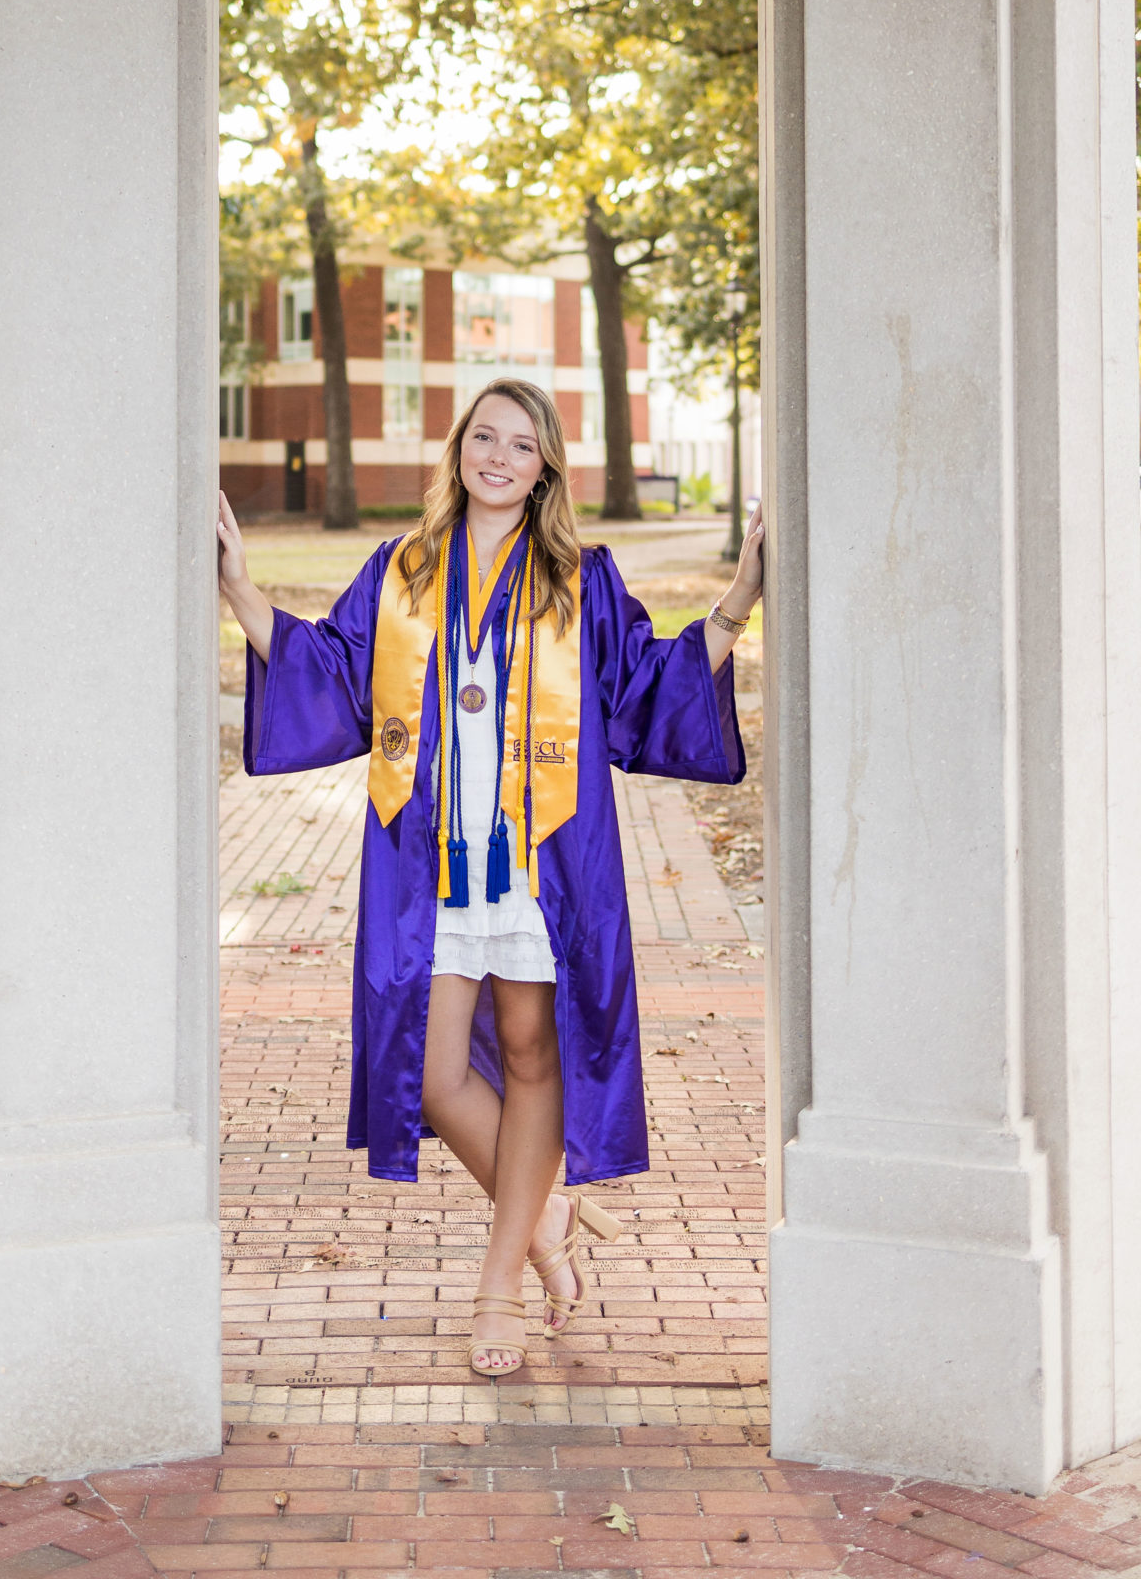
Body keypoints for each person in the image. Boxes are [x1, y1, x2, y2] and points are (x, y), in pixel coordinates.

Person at [216, 377, 764, 1381]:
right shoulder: (401, 570)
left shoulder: (578, 578)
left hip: (541, 859)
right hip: (429, 859)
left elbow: (645, 687)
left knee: (528, 1053)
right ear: (459, 448)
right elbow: (333, 674)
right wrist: (241, 588)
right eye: (484, 436)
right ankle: (544, 1213)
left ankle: (498, 1286)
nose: (499, 456)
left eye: (521, 443)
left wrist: (737, 598)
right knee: (427, 1069)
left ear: (546, 463)